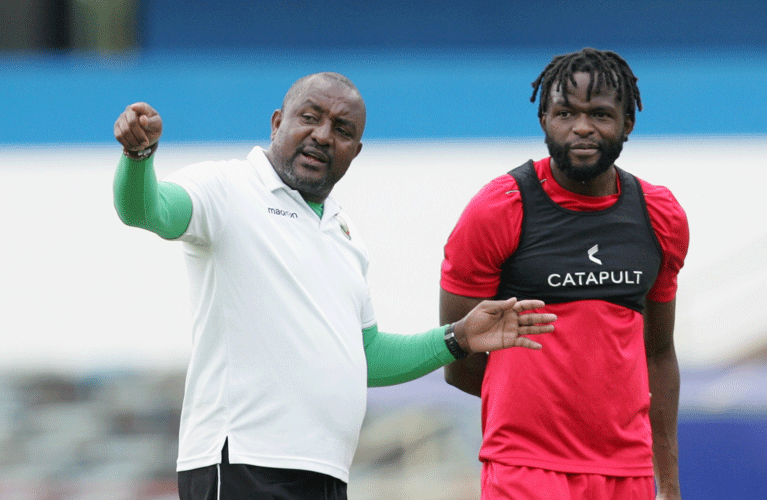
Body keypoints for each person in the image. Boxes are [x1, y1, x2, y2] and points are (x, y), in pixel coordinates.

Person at [112, 72, 557, 500]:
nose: (323, 135)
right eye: (310, 117)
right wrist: (138, 158)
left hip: (325, 471)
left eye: (341, 129)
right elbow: (147, 210)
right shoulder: (227, 188)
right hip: (243, 462)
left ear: (355, 151)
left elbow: (366, 356)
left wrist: (458, 337)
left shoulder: (345, 234)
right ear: (276, 122)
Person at [440, 49, 689, 500]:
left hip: (627, 474)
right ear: (543, 120)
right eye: (565, 113)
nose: (582, 127)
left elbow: (658, 355)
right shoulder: (499, 210)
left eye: (600, 113)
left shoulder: (659, 215)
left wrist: (667, 482)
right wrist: (542, 420)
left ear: (628, 123)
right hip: (525, 469)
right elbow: (459, 357)